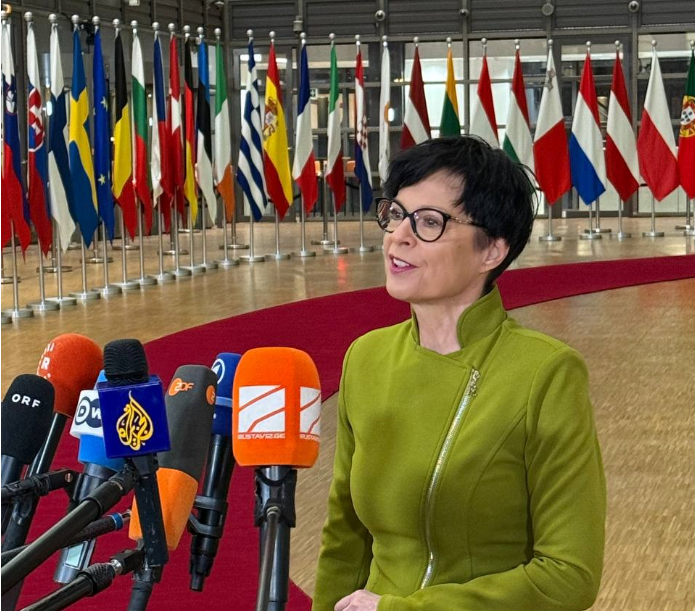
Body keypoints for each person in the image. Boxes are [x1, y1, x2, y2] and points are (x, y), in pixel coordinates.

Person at [312, 136, 606, 611]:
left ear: (492, 251)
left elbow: (569, 577)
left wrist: (399, 610)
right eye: (396, 214)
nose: (399, 236)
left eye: (429, 222)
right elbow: (346, 535)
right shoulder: (365, 357)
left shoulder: (546, 374)